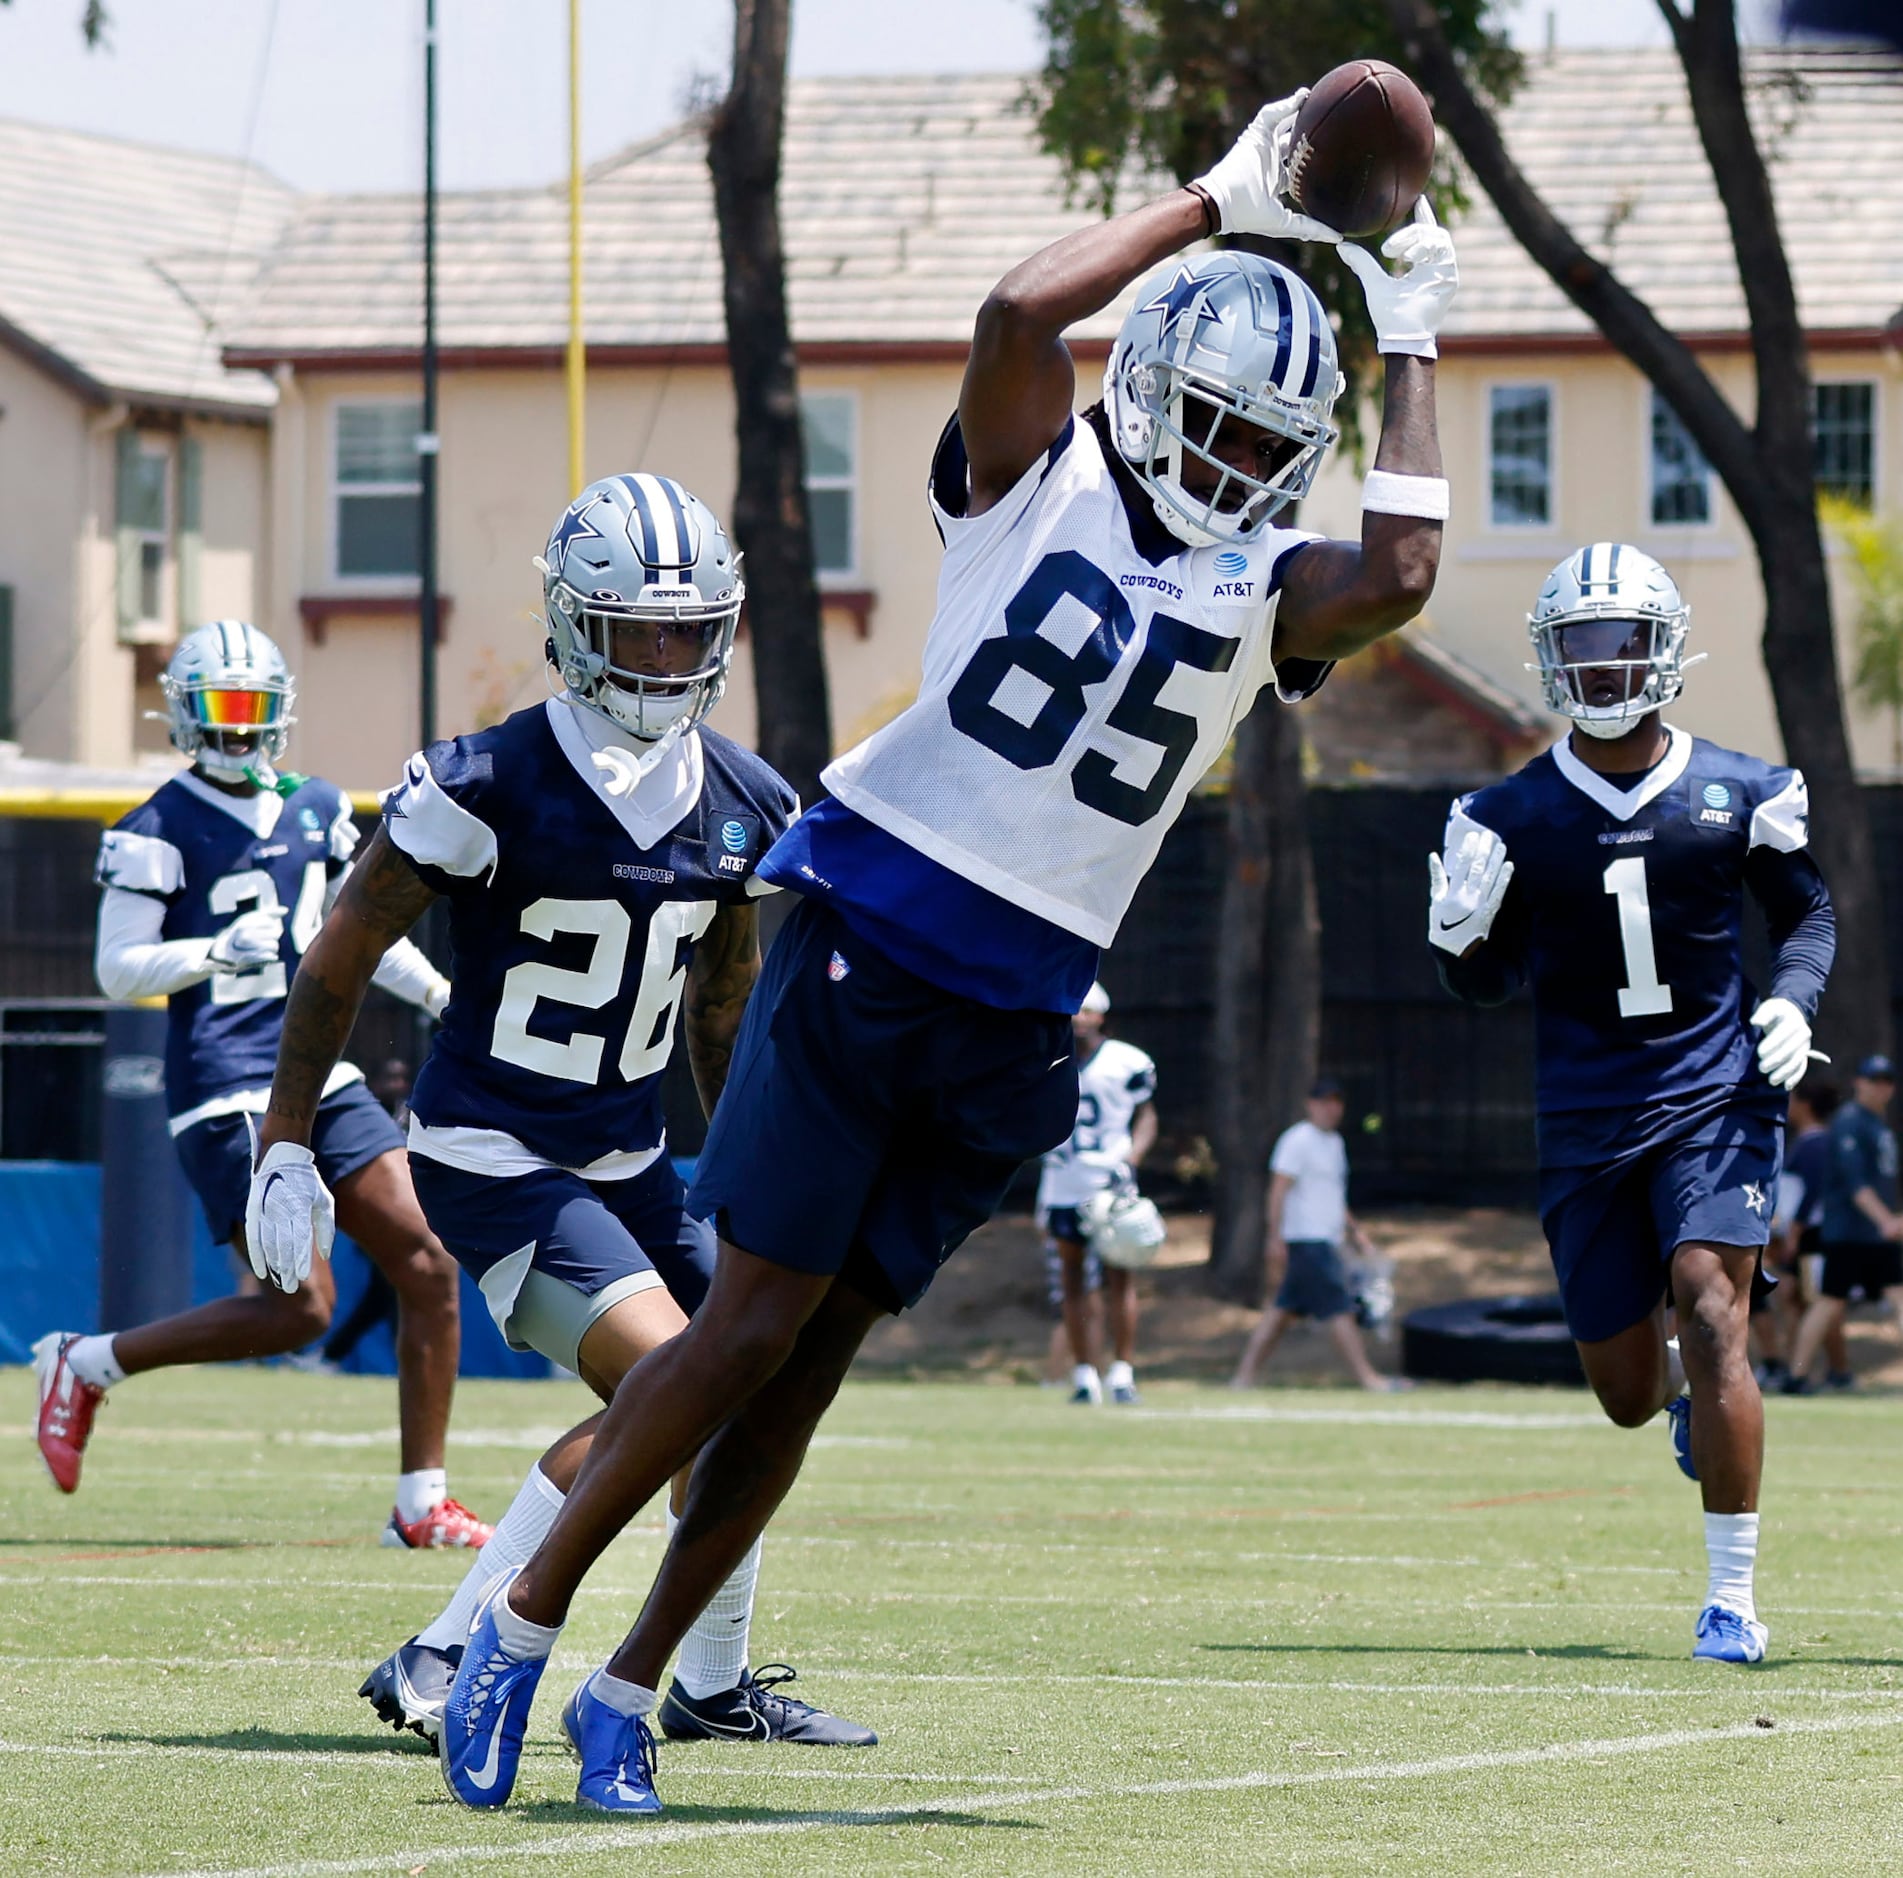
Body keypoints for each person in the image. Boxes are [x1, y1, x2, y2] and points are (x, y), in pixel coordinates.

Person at [294, 88, 1455, 1816]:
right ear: (1143, 385)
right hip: (869, 928)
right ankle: (515, 1627)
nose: (1221, 462)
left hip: (1013, 1008)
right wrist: (1216, 200)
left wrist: (1412, 315)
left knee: (808, 1364)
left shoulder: (1269, 579)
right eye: (1204, 422)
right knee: (744, 1322)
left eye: (1251, 441)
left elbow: (1412, 562)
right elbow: (1013, 313)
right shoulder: (1027, 478)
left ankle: (627, 1689)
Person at [246, 476, 870, 1761]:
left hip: (634, 1157)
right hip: (495, 1154)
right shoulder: (483, 781)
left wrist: (744, 1167)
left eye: (688, 632)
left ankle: (706, 1678)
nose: (663, 656)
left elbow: (722, 1003)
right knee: (668, 1380)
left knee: (760, 1369)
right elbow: (339, 956)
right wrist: (287, 1134)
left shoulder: (742, 797)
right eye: (637, 629)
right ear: (573, 625)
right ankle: (453, 1649)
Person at [1429, 543, 1835, 1665]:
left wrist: (1794, 1002)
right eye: (1583, 649)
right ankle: (1671, 1407)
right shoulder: (1507, 811)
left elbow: (1807, 919)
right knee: (1620, 1387)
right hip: (1584, 1119)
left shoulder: (1742, 790)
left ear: (1663, 649)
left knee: (1711, 1308)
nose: (1605, 669)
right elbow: (1482, 981)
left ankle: (1731, 1601)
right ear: (1550, 660)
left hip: (1714, 1097)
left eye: (1623, 645)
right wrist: (1458, 942)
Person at [34, 621, 488, 1549]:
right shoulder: (153, 826)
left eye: (254, 712)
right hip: (225, 1083)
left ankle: (421, 1502)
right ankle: (87, 1363)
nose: (239, 732)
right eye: (221, 712)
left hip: (321, 1070)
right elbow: (118, 968)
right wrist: (209, 951)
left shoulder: (317, 807)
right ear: (183, 717)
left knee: (429, 1263)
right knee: (302, 1309)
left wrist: (442, 993)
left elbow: (349, 934)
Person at [1230, 1078, 1400, 1391]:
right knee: (1339, 1308)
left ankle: (1243, 1378)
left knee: (1281, 1313)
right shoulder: (1297, 1141)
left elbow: (1333, 1197)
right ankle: (1368, 1378)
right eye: (1324, 1102)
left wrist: (1355, 1230)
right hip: (1307, 1239)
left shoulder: (1335, 1144)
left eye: (1336, 1102)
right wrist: (1274, 1236)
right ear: (1310, 1105)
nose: (1331, 1108)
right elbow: (1278, 1190)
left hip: (1327, 1238)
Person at [1036, 980, 1157, 1405]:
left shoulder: (1127, 1062)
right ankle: (1085, 1374)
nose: (1080, 1019)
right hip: (1064, 1185)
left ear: (1101, 1015)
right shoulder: (1047, 1057)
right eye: (1075, 1011)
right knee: (1072, 1282)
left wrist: (1132, 1160)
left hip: (1111, 1185)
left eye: (1088, 1012)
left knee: (1119, 1278)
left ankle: (1122, 1372)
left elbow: (1146, 1116)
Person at [1787, 1056, 1903, 1389]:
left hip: (1876, 1235)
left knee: (1896, 1296)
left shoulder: (1879, 1125)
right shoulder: (1849, 1122)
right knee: (1828, 1301)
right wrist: (1885, 1220)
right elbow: (1855, 1186)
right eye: (1873, 1079)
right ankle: (1797, 1373)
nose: (1880, 1087)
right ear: (1859, 1082)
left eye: (1886, 1081)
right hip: (1848, 1233)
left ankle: (1800, 1373)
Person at [1755, 1078, 1837, 1390]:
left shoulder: (1816, 1144)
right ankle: (1797, 1368)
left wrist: (1795, 1232)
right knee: (1796, 1299)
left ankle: (1805, 1370)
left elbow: (1811, 1192)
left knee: (1814, 1300)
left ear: (1805, 1105)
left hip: (1809, 1236)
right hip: (1797, 1234)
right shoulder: (1803, 1142)